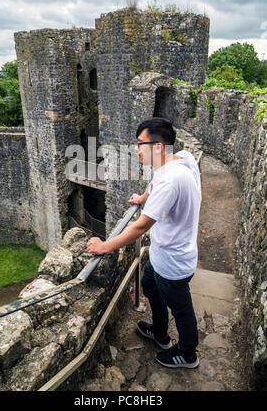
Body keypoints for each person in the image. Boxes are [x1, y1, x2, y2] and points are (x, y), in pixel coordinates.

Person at [87, 117, 201, 369]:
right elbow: (156, 179)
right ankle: (160, 333)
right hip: (162, 257)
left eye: (140, 144)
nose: (136, 149)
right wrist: (143, 196)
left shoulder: (171, 181)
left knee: (181, 310)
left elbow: (140, 226)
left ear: (158, 148)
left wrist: (106, 247)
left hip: (173, 263)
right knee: (149, 285)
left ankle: (187, 353)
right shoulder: (181, 158)